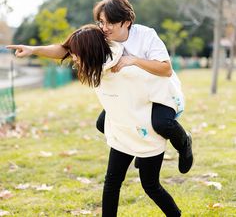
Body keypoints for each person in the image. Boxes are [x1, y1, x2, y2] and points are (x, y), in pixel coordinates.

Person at [6, 0, 193, 175]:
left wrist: (134, 60)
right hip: (130, 94)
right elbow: (67, 49)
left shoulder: (146, 35)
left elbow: (166, 69)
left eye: (110, 22)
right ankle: (138, 147)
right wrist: (33, 50)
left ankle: (184, 143)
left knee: (161, 123)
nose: (104, 27)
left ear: (126, 21)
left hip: (157, 92)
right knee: (102, 123)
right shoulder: (103, 38)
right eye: (101, 22)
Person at [8, 24, 182, 216]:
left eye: (76, 54)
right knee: (112, 182)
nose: (73, 58)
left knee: (150, 185)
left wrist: (161, 124)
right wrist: (33, 50)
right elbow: (64, 50)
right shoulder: (98, 60)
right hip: (121, 129)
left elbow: (163, 87)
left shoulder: (125, 70)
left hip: (145, 131)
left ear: (89, 52)